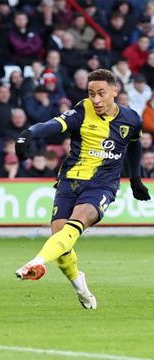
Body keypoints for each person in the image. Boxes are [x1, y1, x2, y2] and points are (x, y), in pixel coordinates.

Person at [14, 69, 151, 309]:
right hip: (70, 181)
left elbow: (134, 146)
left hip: (102, 184)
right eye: (91, 93)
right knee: (60, 237)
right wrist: (28, 134)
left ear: (115, 91)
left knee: (75, 223)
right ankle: (80, 285)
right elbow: (52, 125)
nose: (96, 99)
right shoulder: (81, 111)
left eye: (101, 93)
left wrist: (136, 179)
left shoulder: (131, 119)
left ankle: (36, 262)